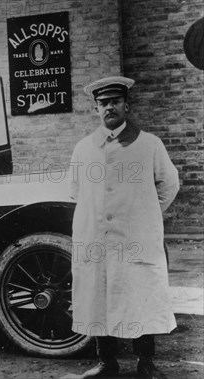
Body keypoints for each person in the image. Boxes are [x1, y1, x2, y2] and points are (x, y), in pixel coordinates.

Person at [69, 76, 180, 379]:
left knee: (140, 296)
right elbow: (75, 190)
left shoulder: (149, 145)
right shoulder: (83, 149)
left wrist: (145, 214)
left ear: (126, 105)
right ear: (96, 110)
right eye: (103, 103)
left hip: (136, 238)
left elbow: (169, 184)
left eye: (115, 101)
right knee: (100, 296)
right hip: (98, 239)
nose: (109, 107)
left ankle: (146, 362)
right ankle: (107, 363)